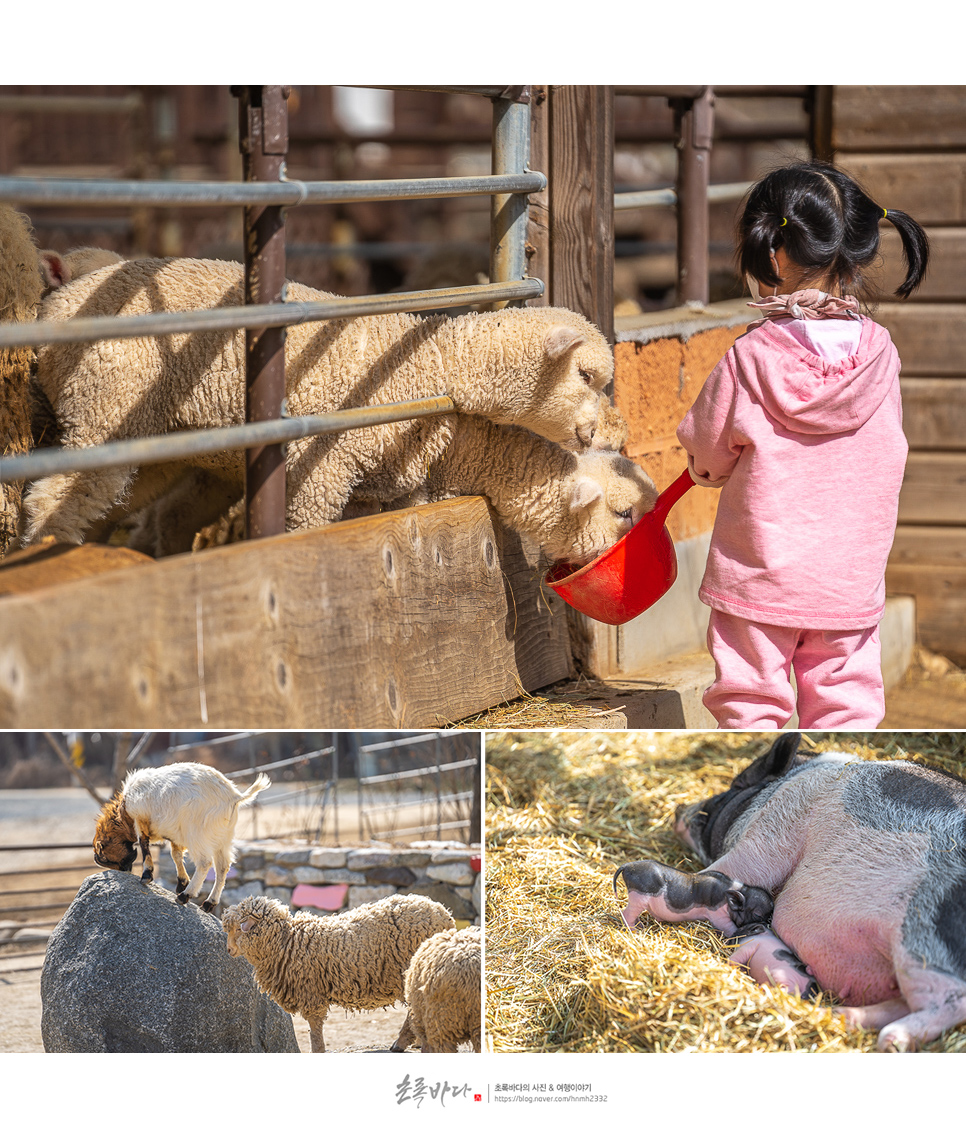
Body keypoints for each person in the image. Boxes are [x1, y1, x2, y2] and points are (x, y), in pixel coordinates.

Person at [677, 161, 929, 729]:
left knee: (750, 702)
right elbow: (891, 450)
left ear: (771, 255)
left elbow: (707, 454)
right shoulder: (880, 354)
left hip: (761, 576)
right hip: (849, 577)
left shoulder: (751, 355)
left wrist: (707, 470)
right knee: (846, 707)